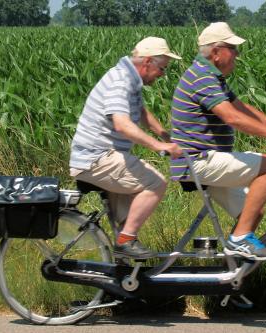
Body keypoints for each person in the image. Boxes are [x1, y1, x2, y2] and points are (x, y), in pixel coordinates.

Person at [170, 22, 266, 260]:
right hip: (198, 161)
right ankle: (239, 240)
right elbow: (232, 117)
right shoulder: (202, 77)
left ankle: (231, 277)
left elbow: (241, 107)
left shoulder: (210, 75)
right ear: (216, 52)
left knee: (253, 212)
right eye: (232, 48)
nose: (237, 54)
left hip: (204, 159)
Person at [70, 37, 183, 259]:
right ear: (148, 62)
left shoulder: (131, 79)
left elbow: (141, 112)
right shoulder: (121, 81)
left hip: (105, 156)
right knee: (156, 183)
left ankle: (123, 272)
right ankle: (126, 241)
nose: (163, 74)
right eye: (162, 68)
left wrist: (164, 135)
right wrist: (157, 146)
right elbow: (122, 124)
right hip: (97, 158)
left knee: (128, 214)